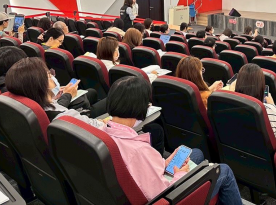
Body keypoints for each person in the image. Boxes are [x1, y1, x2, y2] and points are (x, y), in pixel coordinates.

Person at [103, 77, 242, 204]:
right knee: (224, 171)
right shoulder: (138, 151)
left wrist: (164, 163)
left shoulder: (103, 134)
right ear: (139, 106)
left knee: (196, 153)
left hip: (147, 182)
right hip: (173, 196)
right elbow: (164, 194)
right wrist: (180, 174)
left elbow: (143, 171)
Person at [5, 57, 104, 127]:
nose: (53, 77)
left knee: (90, 93)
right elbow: (100, 127)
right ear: (42, 85)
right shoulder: (66, 116)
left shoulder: (25, 108)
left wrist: (53, 96)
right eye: (49, 75)